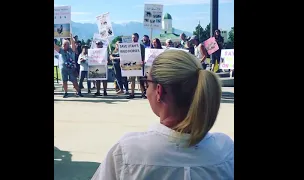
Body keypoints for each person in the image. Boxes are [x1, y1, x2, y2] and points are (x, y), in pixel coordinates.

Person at [91, 50, 234, 180]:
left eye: (147, 84)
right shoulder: (226, 151)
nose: (146, 92)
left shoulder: (128, 152)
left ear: (159, 91)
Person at [54, 34, 83, 98]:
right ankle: (66, 92)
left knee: (74, 81)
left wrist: (71, 38)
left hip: (71, 69)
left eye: (65, 44)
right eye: (63, 44)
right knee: (64, 81)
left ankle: (78, 91)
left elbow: (73, 45)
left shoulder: (71, 50)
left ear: (68, 45)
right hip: (63, 69)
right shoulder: (61, 50)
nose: (63, 46)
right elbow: (55, 46)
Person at [127, 33, 147, 99]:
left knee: (140, 80)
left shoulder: (141, 46)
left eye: (135, 37)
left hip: (139, 65)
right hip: (131, 66)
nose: (133, 39)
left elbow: (144, 56)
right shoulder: (129, 46)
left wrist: (143, 62)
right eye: (132, 37)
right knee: (132, 80)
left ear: (138, 38)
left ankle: (143, 93)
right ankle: (132, 94)